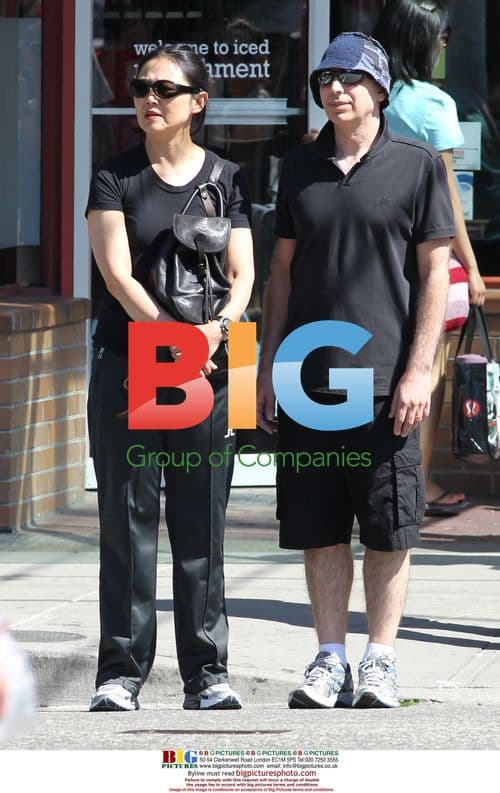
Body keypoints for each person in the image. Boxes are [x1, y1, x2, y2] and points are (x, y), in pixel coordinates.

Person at [257, 32, 454, 708]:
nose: (334, 89)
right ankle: (329, 658)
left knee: (388, 526)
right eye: (325, 79)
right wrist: (268, 367)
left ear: (379, 90)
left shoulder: (416, 165)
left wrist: (419, 370)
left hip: (384, 380)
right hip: (308, 381)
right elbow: (281, 274)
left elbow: (435, 273)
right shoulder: (298, 167)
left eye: (349, 78)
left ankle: (381, 659)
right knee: (317, 527)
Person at [86, 44, 254, 712]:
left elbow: (242, 274)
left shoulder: (228, 177)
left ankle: (207, 673)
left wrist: (216, 332)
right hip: (132, 361)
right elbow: (116, 275)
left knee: (202, 520)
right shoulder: (115, 176)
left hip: (215, 362)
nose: (149, 98)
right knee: (127, 519)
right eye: (141, 87)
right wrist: (174, 339)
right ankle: (120, 672)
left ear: (198, 102)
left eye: (164, 88)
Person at [373, 0, 486, 516]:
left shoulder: (370, 97)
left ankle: (383, 481)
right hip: (427, 256)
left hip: (377, 259)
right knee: (428, 374)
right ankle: (416, 485)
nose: (443, 46)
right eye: (440, 37)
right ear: (422, 41)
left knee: (382, 372)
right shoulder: (432, 103)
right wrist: (473, 267)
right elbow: (448, 198)